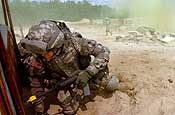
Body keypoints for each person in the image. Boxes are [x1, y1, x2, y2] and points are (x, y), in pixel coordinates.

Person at [19, 20, 119, 115]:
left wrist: (89, 72)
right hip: (68, 82)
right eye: (41, 53)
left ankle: (91, 88)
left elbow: (103, 52)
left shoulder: (75, 43)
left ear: (56, 45)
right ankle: (81, 94)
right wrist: (38, 105)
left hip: (87, 73)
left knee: (111, 85)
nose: (44, 56)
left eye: (47, 52)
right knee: (69, 110)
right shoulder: (40, 55)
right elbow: (36, 80)